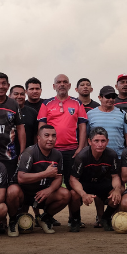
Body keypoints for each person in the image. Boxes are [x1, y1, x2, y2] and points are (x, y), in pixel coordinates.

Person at [37, 74, 87, 227]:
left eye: (65, 82)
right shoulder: (47, 104)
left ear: (70, 85)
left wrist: (81, 147)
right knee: (51, 185)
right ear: (54, 86)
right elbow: (42, 127)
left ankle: (75, 218)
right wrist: (42, 147)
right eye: (59, 82)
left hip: (72, 150)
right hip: (52, 152)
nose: (62, 84)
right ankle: (48, 216)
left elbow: (82, 126)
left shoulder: (77, 103)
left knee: (73, 185)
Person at [6, 125, 70, 236]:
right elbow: (21, 178)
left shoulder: (57, 155)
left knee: (65, 194)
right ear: (38, 138)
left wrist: (49, 190)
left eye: (53, 136)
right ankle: (13, 220)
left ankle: (45, 218)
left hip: (42, 193)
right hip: (23, 192)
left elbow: (59, 177)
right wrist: (45, 173)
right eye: (47, 135)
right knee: (12, 191)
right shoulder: (29, 153)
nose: (50, 139)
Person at [69, 127, 123, 232]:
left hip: (102, 184)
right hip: (85, 184)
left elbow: (115, 176)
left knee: (120, 191)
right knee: (73, 194)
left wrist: (117, 189)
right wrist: (83, 194)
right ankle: (75, 219)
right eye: (96, 141)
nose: (100, 144)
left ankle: (105, 218)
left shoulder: (112, 155)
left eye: (103, 141)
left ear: (107, 142)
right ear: (89, 141)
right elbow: (73, 179)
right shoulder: (82, 156)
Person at [86, 86, 127, 155]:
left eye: (113, 97)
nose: (111, 99)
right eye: (108, 97)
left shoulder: (122, 113)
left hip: (118, 156)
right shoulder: (90, 114)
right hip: (96, 158)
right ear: (100, 97)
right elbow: (86, 136)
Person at [10, 84, 38, 157]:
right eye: (16, 94)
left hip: (28, 152)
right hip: (7, 153)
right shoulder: (4, 111)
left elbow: (36, 134)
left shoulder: (32, 112)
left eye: (22, 94)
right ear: (9, 96)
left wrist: (35, 150)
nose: (19, 96)